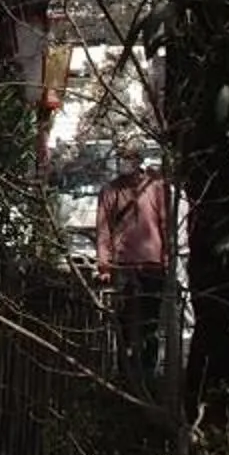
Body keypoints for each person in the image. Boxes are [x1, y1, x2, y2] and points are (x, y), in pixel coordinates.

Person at [95, 140, 172, 382]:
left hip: (151, 264)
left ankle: (148, 374)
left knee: (149, 323)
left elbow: (165, 223)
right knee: (124, 322)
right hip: (123, 265)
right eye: (122, 157)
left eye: (130, 157)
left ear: (138, 159)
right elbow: (103, 230)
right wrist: (104, 264)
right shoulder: (110, 191)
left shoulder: (155, 187)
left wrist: (168, 259)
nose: (126, 162)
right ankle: (125, 373)